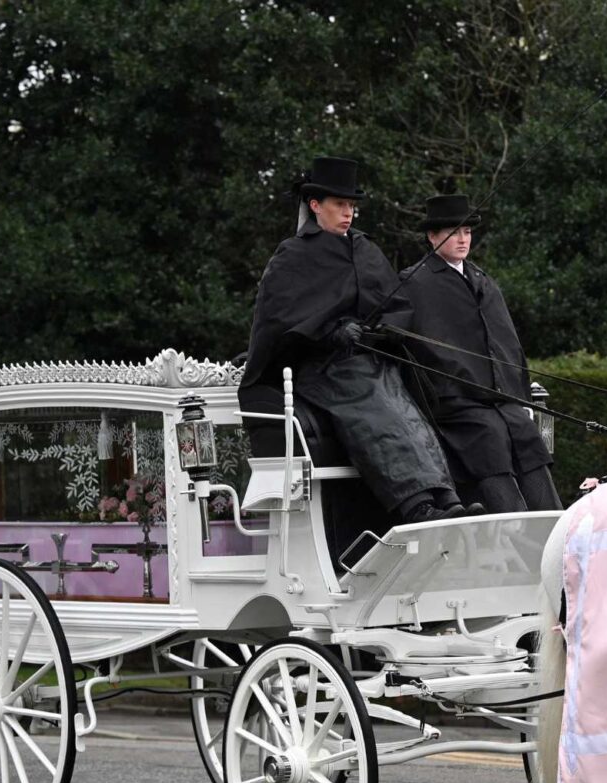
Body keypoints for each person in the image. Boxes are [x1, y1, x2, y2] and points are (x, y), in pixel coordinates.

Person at [237, 158, 481, 523]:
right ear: (316, 205)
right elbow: (278, 321)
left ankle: (446, 496)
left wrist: (383, 330)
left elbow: (396, 303)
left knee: (407, 404)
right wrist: (330, 333)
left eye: (352, 206)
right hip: (321, 368)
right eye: (339, 205)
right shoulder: (293, 254)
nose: (348, 213)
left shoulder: (366, 249)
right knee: (375, 406)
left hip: (370, 360)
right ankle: (414, 504)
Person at [398, 194, 561, 512]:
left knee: (525, 432)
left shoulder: (483, 281)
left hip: (498, 399)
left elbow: (509, 346)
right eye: (454, 231)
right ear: (432, 236)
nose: (462, 239)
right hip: (456, 403)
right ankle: (513, 525)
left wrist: (518, 395)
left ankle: (555, 528)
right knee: (488, 434)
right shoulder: (414, 282)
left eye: (467, 232)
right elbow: (412, 348)